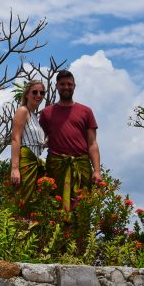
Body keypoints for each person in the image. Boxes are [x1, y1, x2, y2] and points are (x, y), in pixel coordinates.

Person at [39, 70, 102, 211]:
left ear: (74, 86)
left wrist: (97, 171)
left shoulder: (86, 111)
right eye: (62, 84)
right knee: (55, 206)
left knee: (82, 207)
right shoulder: (46, 113)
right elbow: (40, 139)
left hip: (81, 165)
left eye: (69, 84)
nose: (66, 87)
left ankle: (81, 234)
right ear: (56, 86)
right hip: (56, 165)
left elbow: (92, 143)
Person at [9, 79, 48, 207]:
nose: (38, 96)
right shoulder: (23, 111)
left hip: (35, 162)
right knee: (22, 201)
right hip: (24, 161)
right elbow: (15, 138)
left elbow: (37, 141)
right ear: (27, 94)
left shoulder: (35, 116)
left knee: (32, 202)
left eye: (42, 93)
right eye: (34, 92)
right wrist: (15, 169)